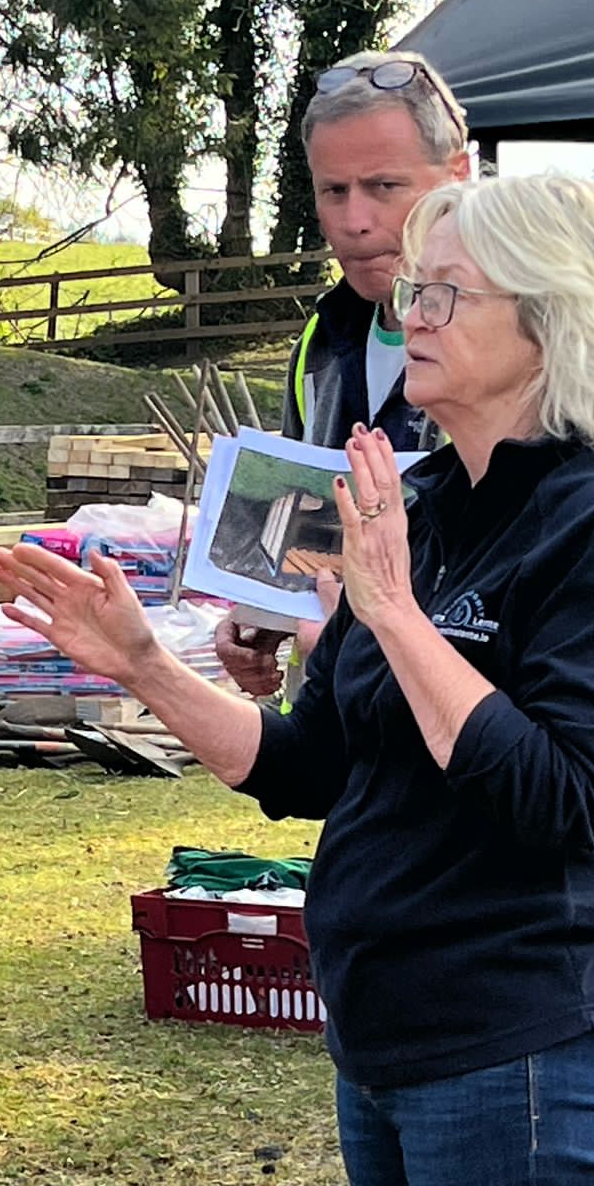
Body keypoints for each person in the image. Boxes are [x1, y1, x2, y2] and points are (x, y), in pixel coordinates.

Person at [0, 175, 594, 1186]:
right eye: (413, 290)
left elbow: (561, 798)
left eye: (446, 293)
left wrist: (395, 613)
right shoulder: (420, 507)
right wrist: (144, 665)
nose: (411, 316)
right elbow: (310, 766)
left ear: (551, 322)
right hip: (380, 1040)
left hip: (520, 1051)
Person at [215, 50, 471, 699]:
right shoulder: (321, 342)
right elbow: (306, 527)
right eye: (334, 191)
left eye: (384, 187)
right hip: (344, 727)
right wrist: (266, 615)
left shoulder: (524, 348)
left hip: (470, 731)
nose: (354, 221)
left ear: (459, 176)